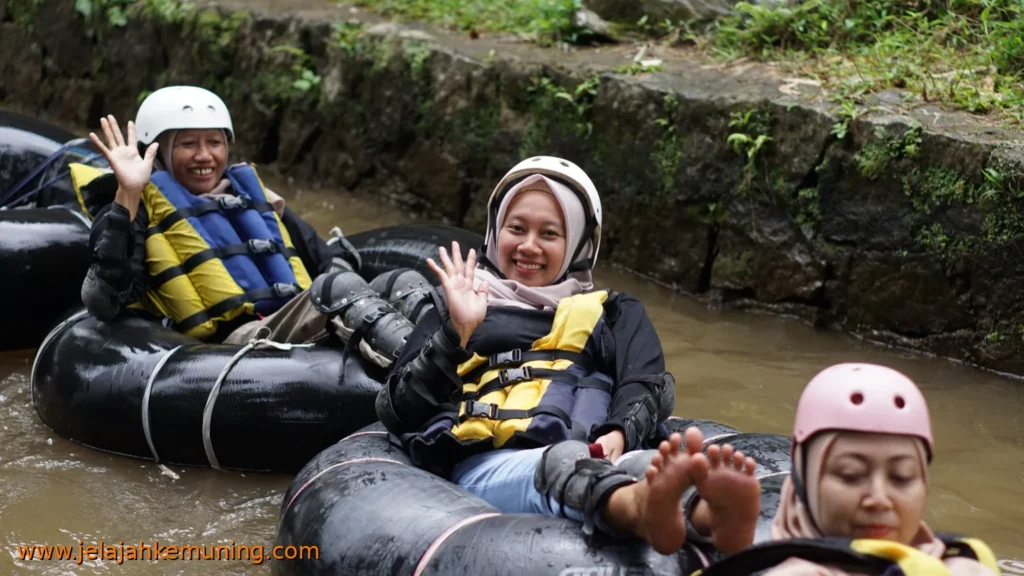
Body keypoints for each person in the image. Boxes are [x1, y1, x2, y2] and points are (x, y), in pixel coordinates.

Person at [375, 155, 762, 554]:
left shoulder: (613, 312)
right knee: (566, 460)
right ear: (494, 231)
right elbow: (398, 410)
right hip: (487, 466)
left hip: (600, 455)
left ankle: (706, 518)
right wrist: (457, 332)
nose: (529, 246)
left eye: (549, 234)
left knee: (641, 467)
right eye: (516, 228)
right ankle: (637, 506)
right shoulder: (453, 304)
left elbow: (644, 382)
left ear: (578, 244)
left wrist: (620, 432)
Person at [70, 86, 423, 366]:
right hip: (232, 344)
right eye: (188, 144)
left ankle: (453, 360)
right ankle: (419, 370)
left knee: (401, 282)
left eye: (215, 142)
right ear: (158, 152)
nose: (205, 156)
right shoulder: (138, 206)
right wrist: (128, 194)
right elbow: (103, 299)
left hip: (290, 318)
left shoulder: (252, 196)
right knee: (337, 289)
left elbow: (326, 258)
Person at [700, 363, 1000, 576]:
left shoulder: (966, 562)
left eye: (902, 477)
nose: (879, 498)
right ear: (802, 479)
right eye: (850, 475)